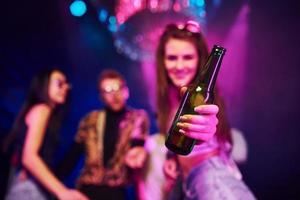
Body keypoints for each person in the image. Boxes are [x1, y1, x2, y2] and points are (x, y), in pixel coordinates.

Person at [140, 21, 256, 200]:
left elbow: (209, 123)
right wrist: (173, 159)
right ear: (162, 60)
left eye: (188, 57)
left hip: (214, 182)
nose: (179, 66)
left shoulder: (206, 96)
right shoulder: (167, 100)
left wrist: (204, 130)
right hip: (189, 187)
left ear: (200, 59)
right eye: (172, 58)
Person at [57, 69, 149, 200]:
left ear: (126, 91)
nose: (114, 95)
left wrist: (136, 154)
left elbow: (137, 145)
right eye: (108, 90)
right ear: (101, 96)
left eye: (117, 88)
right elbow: (72, 156)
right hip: (87, 189)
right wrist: (49, 181)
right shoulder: (90, 119)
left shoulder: (138, 118)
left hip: (117, 191)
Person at [4, 69, 88, 200]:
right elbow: (29, 157)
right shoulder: (43, 109)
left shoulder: (46, 114)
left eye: (66, 84)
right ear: (45, 85)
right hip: (31, 189)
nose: (65, 87)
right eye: (59, 83)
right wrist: (62, 192)